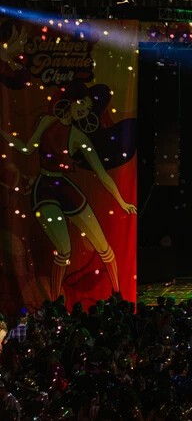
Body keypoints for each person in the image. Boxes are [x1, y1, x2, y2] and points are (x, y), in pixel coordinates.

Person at [0, 82, 137, 301]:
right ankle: (55, 304)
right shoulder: (47, 122)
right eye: (82, 102)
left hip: (65, 189)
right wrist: (4, 135)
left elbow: (102, 174)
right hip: (45, 190)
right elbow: (26, 148)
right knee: (64, 250)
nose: (83, 108)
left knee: (103, 246)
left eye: (88, 106)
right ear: (72, 101)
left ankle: (118, 295)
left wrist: (121, 201)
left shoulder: (80, 138)